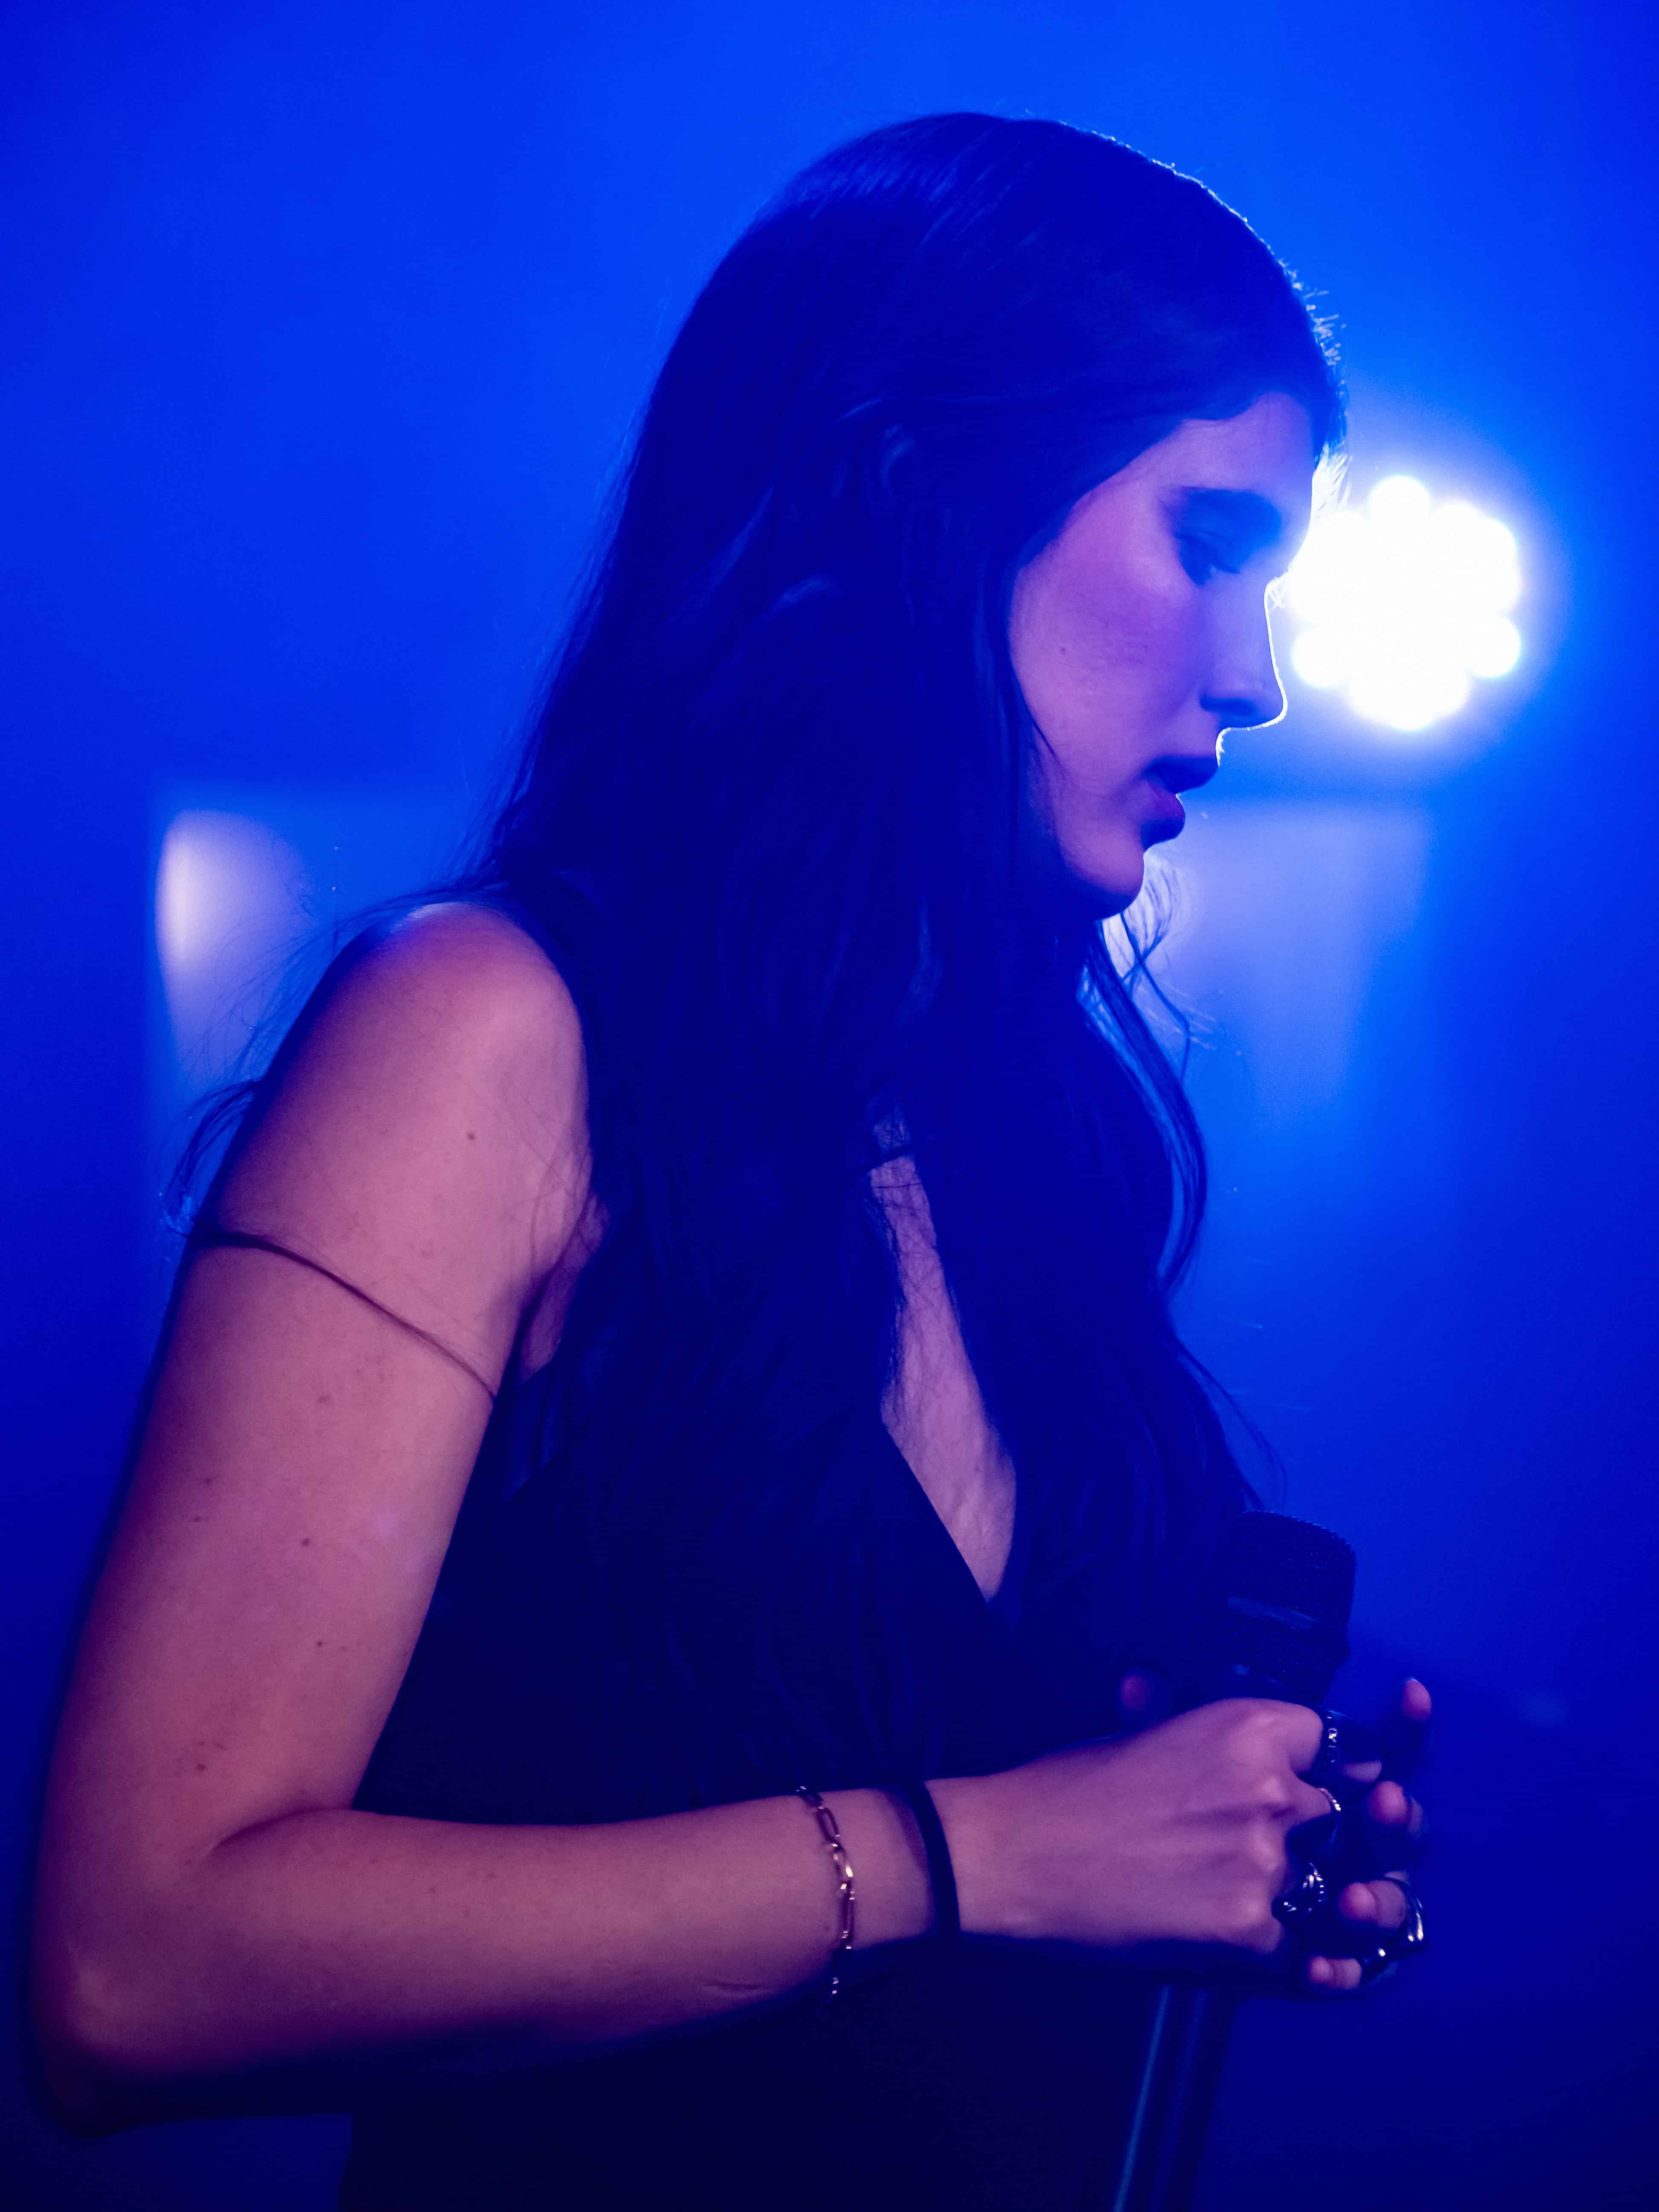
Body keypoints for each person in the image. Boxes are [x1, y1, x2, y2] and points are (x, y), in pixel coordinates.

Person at [32, 114, 1429, 2209]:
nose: (1256, 678)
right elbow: (135, 1965)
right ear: (920, 500)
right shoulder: (488, 1031)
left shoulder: (1025, 1133)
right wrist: (989, 1855)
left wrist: (1212, 1840)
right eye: (1206, 545)